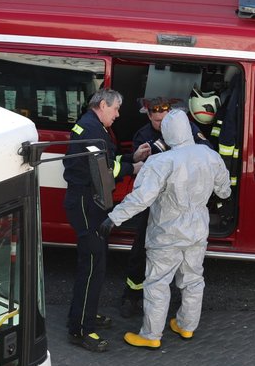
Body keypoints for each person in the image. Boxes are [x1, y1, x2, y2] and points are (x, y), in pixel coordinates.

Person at [99, 109, 231, 349]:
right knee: (192, 280)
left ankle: (151, 335)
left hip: (167, 232)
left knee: (157, 283)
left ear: (168, 132)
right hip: (197, 229)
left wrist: (114, 218)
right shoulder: (210, 155)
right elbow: (224, 190)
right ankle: (186, 326)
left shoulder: (162, 161)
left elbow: (142, 198)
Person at [64, 88, 150, 352]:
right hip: (87, 204)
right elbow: (102, 169)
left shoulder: (92, 126)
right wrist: (132, 168)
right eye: (116, 109)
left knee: (97, 265)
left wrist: (130, 157)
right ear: (103, 105)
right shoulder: (91, 129)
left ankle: (85, 315)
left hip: (92, 203)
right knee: (92, 267)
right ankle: (80, 330)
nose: (118, 114)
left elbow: (106, 160)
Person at [120, 96, 211, 318]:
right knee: (141, 249)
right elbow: (142, 170)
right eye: (156, 121)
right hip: (154, 203)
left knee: (187, 259)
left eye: (164, 120)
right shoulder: (143, 135)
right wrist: (151, 151)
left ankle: (173, 304)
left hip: (182, 201)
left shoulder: (187, 127)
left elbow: (206, 150)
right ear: (149, 116)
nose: (160, 125)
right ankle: (132, 296)